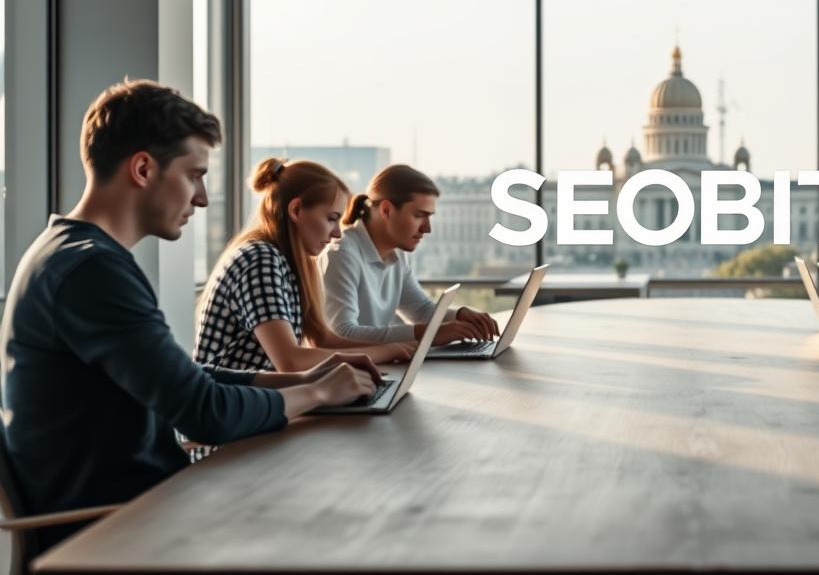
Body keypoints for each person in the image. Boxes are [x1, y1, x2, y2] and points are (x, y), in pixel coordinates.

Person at [0, 81, 380, 555]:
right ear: (143, 169)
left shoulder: (73, 253)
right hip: (123, 531)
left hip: (143, 508)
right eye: (195, 175)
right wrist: (319, 392)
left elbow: (185, 377)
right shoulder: (91, 270)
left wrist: (297, 380)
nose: (202, 198)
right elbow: (205, 412)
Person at [195, 160, 493, 374]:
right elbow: (291, 361)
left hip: (258, 404)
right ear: (296, 210)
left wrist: (399, 348)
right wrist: (386, 351)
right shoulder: (261, 260)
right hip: (227, 421)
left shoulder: (292, 264)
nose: (337, 231)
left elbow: (324, 339)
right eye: (330, 218)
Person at [320, 164, 498, 343]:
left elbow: (420, 310)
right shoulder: (342, 254)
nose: (427, 228)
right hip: (349, 369)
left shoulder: (398, 253)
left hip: (381, 365)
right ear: (386, 210)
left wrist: (461, 315)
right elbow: (342, 333)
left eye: (429, 217)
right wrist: (429, 334)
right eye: (419, 215)